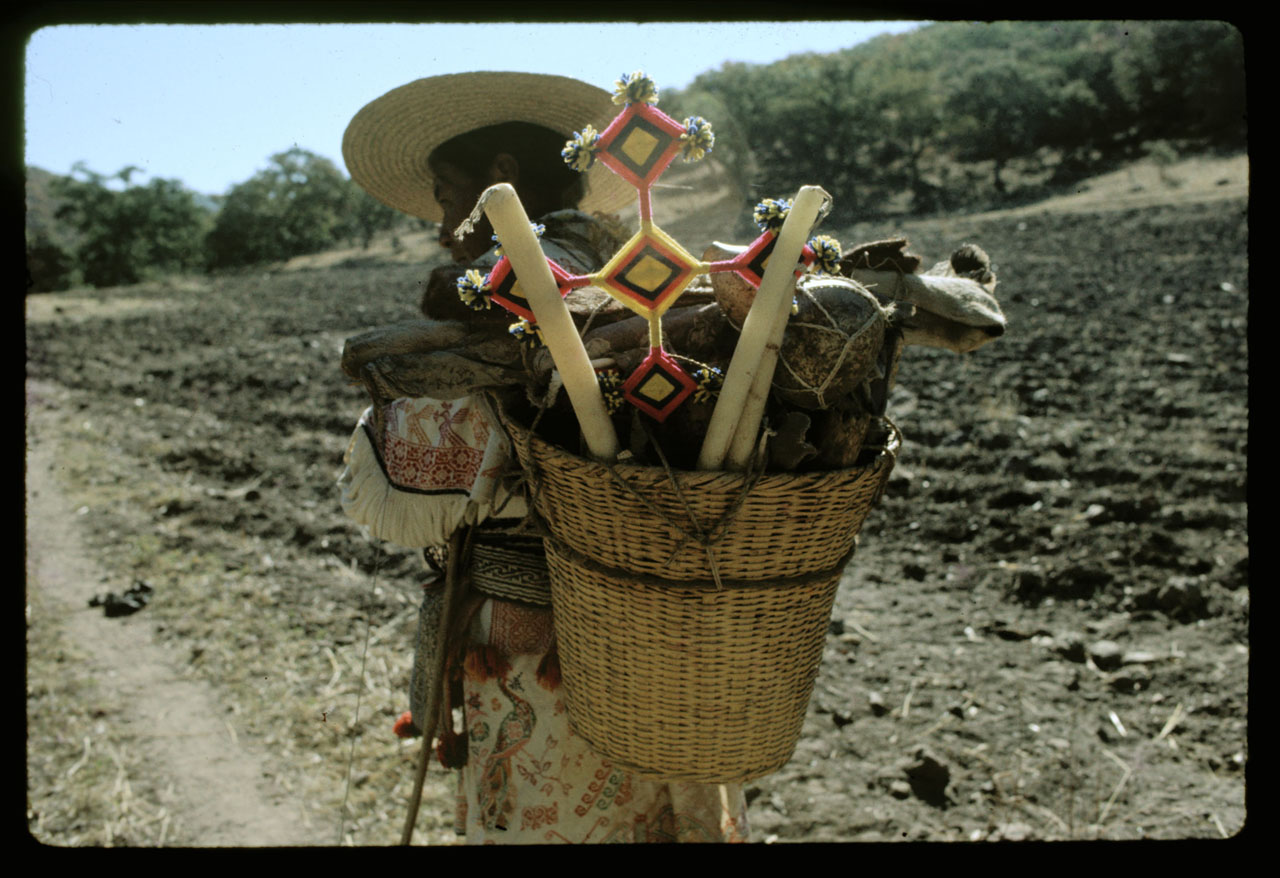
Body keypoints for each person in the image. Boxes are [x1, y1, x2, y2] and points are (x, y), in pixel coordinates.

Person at [337, 71, 750, 844]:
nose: (440, 220)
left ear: (503, 176)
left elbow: (429, 456)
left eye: (446, 190)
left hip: (542, 640)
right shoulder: (647, 276)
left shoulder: (501, 293)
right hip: (667, 625)